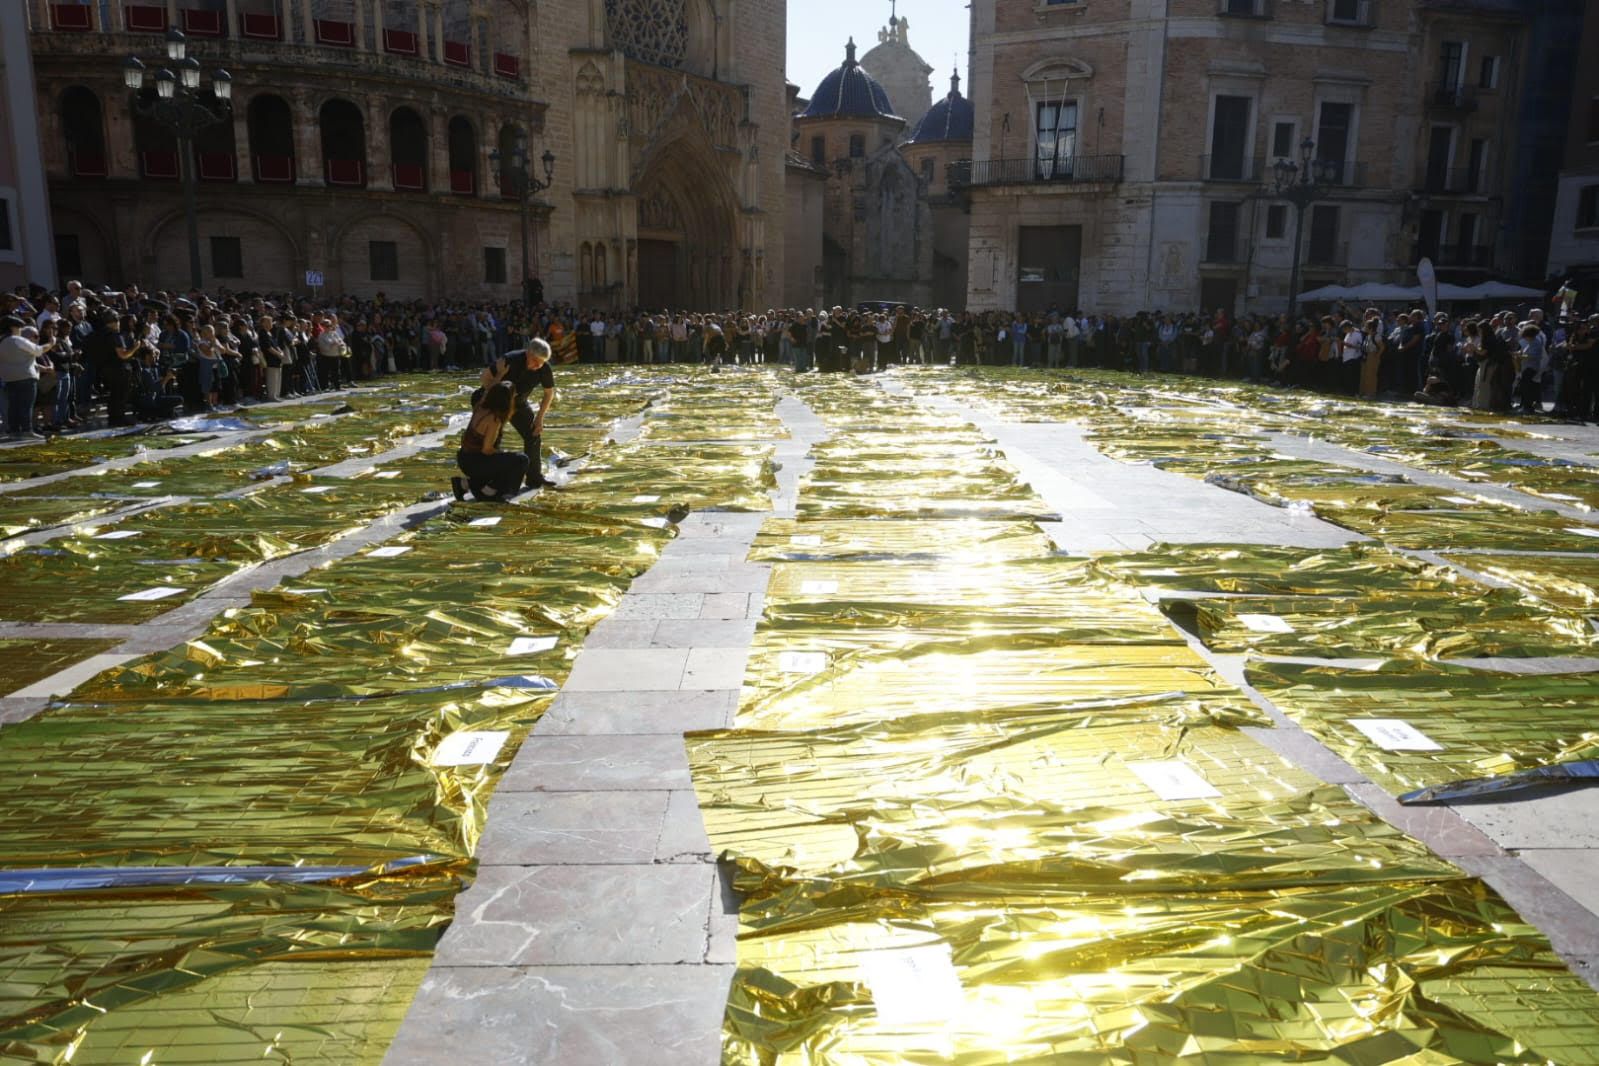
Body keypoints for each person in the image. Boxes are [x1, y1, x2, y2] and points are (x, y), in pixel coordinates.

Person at [480, 338, 557, 490]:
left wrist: (539, 418)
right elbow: (484, 378)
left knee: (533, 434)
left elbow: (549, 394)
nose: (537, 366)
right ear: (528, 353)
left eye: (541, 363)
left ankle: (534, 477)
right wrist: (495, 392)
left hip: (519, 404)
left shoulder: (544, 368)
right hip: (496, 403)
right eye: (535, 361)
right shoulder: (510, 360)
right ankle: (488, 479)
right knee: (493, 439)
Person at [451, 381, 528, 502]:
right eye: (513, 395)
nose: (515, 397)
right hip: (475, 462)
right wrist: (504, 454)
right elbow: (487, 449)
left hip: (464, 458)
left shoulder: (480, 406)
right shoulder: (493, 419)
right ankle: (497, 493)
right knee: (520, 460)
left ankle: (464, 484)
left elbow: (487, 391)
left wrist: (499, 376)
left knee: (505, 460)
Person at [1, 315, 55, 438]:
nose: (20, 330)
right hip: (25, 376)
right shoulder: (17, 339)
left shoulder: (1, 341)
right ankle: (27, 430)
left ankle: (14, 431)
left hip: (8, 378)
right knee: (26, 405)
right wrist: (51, 343)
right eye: (19, 327)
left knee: (13, 406)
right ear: (12, 327)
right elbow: (38, 350)